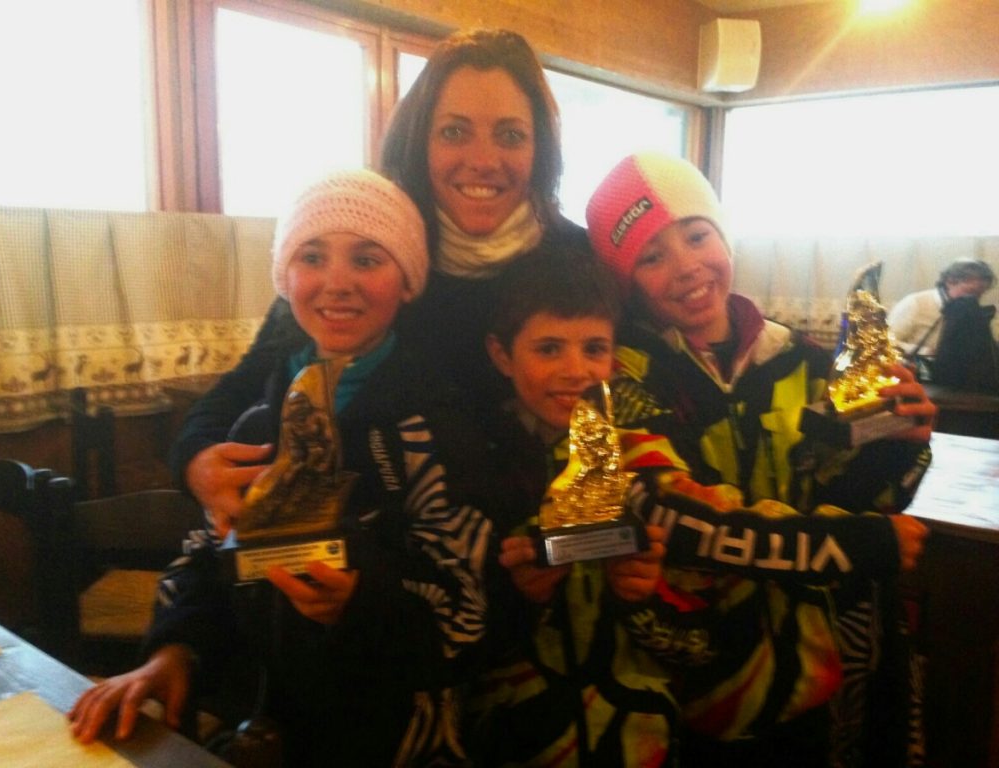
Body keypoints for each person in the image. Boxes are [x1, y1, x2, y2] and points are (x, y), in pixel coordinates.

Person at [68, 170, 493, 767]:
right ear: (285, 279)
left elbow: (467, 608)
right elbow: (211, 555)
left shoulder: (438, 430)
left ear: (407, 281)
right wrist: (174, 651)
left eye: (367, 259)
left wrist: (359, 603)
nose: (337, 282)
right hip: (262, 721)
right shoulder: (256, 425)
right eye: (311, 257)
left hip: (397, 733)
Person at [465, 246, 928, 767]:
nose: (575, 370)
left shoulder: (635, 442)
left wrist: (638, 599)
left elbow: (689, 637)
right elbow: (459, 633)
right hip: (521, 736)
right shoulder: (477, 461)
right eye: (549, 349)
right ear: (502, 355)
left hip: (666, 729)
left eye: (593, 349)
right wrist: (522, 596)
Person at [585, 152, 936, 768]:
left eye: (698, 236)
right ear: (627, 281)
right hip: (690, 688)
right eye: (651, 256)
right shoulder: (619, 376)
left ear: (723, 236)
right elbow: (674, 518)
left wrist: (899, 440)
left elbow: (860, 499)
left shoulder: (805, 359)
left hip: (817, 677)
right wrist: (848, 545)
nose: (686, 266)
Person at [170, 27, 589, 540]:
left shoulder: (575, 263)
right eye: (454, 132)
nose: (483, 161)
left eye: (510, 135)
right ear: (419, 142)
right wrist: (195, 461)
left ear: (540, 148)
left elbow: (626, 400)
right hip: (377, 549)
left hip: (534, 537)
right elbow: (240, 388)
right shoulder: (369, 250)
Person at [887, 258, 996, 359]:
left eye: (980, 294)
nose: (974, 299)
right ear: (950, 281)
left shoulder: (971, 311)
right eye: (971, 291)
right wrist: (926, 351)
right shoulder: (915, 303)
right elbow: (887, 342)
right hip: (917, 369)